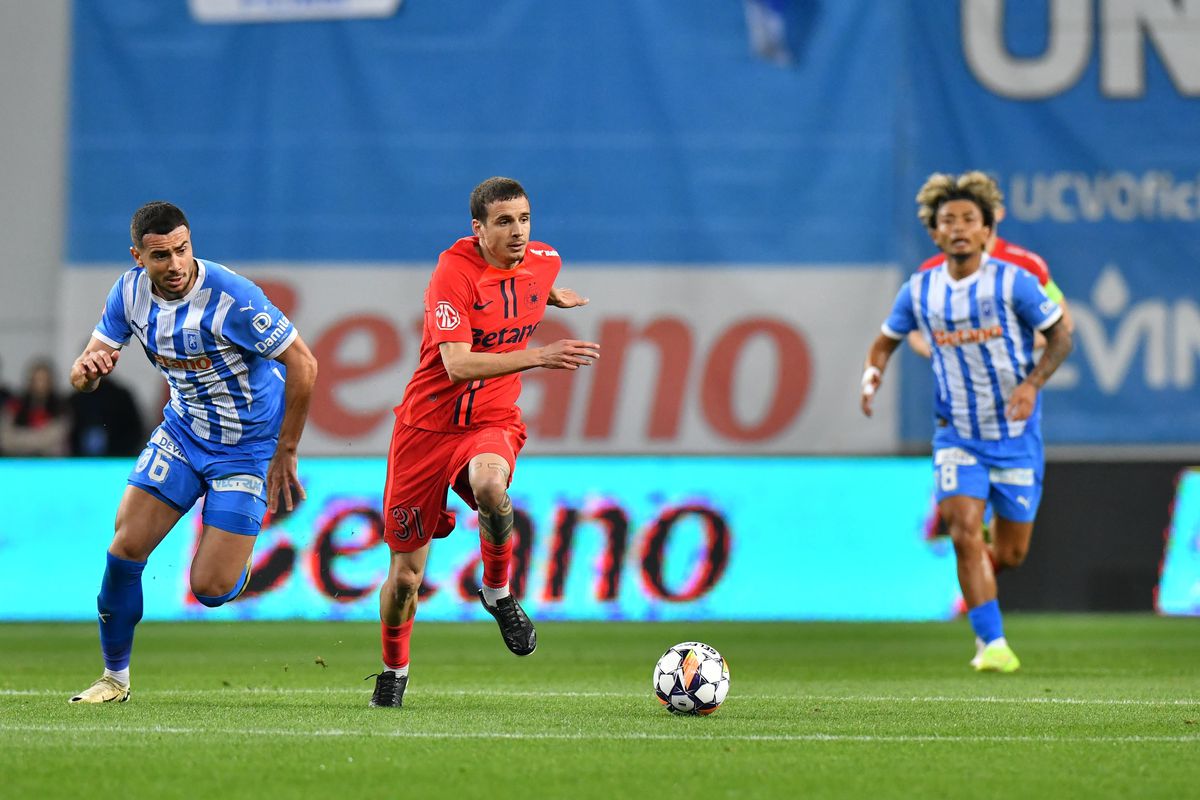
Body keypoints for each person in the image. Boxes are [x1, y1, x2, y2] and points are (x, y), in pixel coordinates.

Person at [67, 201, 318, 703]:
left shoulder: (232, 297)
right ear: (138, 257)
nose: (176, 264)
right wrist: (85, 372)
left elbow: (304, 364)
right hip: (183, 434)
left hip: (247, 449)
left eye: (182, 250)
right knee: (124, 548)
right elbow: (84, 371)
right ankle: (114, 679)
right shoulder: (128, 293)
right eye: (161, 256)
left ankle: (235, 559)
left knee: (210, 588)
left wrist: (286, 450)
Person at [368, 177, 599, 708]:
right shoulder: (452, 274)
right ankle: (394, 672)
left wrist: (549, 297)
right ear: (478, 228)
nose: (518, 231)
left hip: (490, 420)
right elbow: (456, 364)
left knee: (491, 486)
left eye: (524, 219)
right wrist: (540, 355)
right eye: (504, 221)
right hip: (425, 430)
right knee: (405, 579)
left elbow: (529, 284)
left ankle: (497, 591)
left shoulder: (545, 260)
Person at [860, 173, 1072, 673]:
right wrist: (872, 375)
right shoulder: (920, 289)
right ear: (934, 233)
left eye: (968, 219)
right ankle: (992, 643)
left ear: (986, 230)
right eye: (947, 220)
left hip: (1015, 437)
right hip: (957, 434)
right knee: (963, 532)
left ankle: (980, 580)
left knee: (1012, 553)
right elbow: (886, 341)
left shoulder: (1015, 281)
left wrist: (1032, 384)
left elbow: (1062, 335)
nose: (958, 228)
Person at [907, 171, 1074, 358]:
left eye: (972, 215)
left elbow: (1063, 321)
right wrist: (945, 353)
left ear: (998, 213)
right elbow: (914, 331)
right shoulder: (930, 272)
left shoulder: (1027, 264)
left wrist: (1009, 347)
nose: (963, 225)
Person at [68, 367, 146, 456]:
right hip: (80, 458)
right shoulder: (75, 400)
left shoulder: (121, 397)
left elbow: (135, 431)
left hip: (116, 457)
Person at [1, 358, 71, 456]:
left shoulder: (62, 409)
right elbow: (5, 439)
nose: (40, 385)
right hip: (18, 461)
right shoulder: (14, 406)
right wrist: (40, 438)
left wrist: (20, 438)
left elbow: (56, 441)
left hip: (51, 462)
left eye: (44, 380)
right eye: (36, 380)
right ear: (29, 382)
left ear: (51, 382)